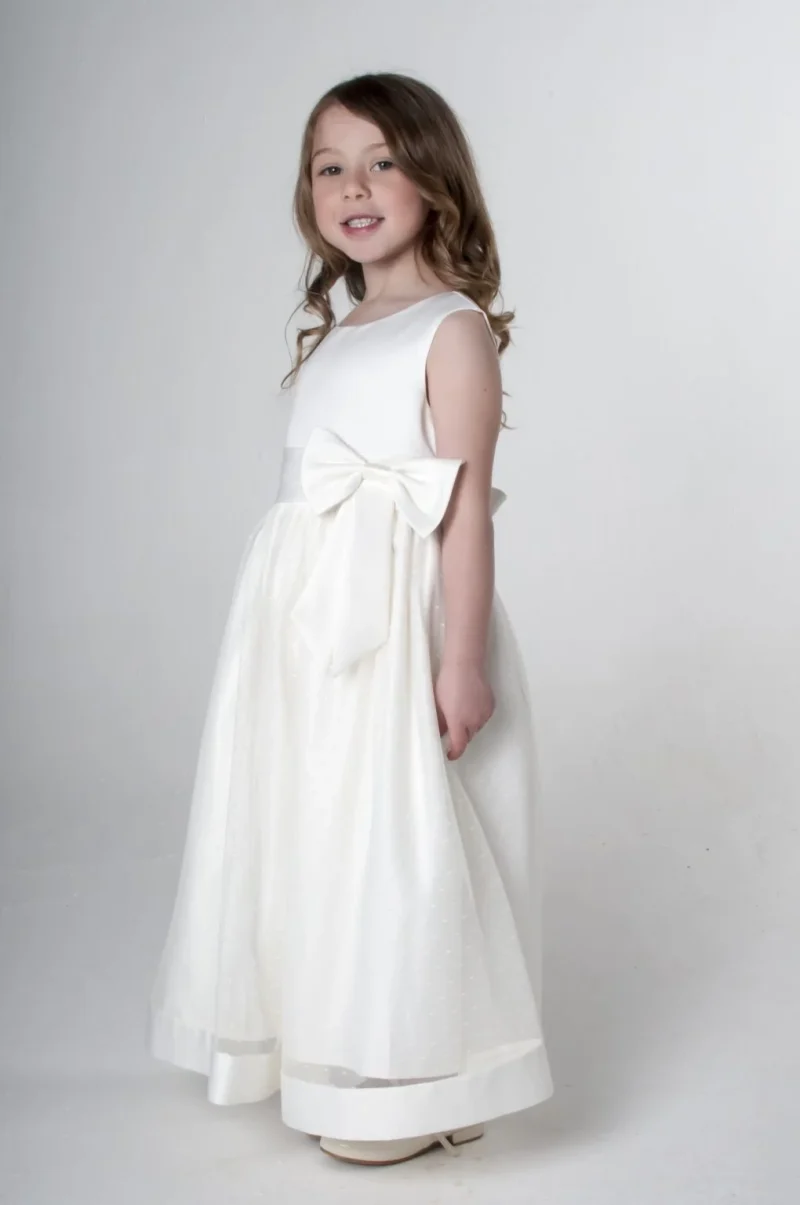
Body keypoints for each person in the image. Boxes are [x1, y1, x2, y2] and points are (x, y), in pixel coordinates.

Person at [148, 71, 553, 1167]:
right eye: (330, 167)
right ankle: (351, 1050)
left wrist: (460, 659)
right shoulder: (337, 331)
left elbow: (460, 511)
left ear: (435, 179)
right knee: (321, 828)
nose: (354, 187)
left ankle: (415, 1077)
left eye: (382, 162)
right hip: (306, 620)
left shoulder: (450, 329)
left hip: (398, 619)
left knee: (402, 843)